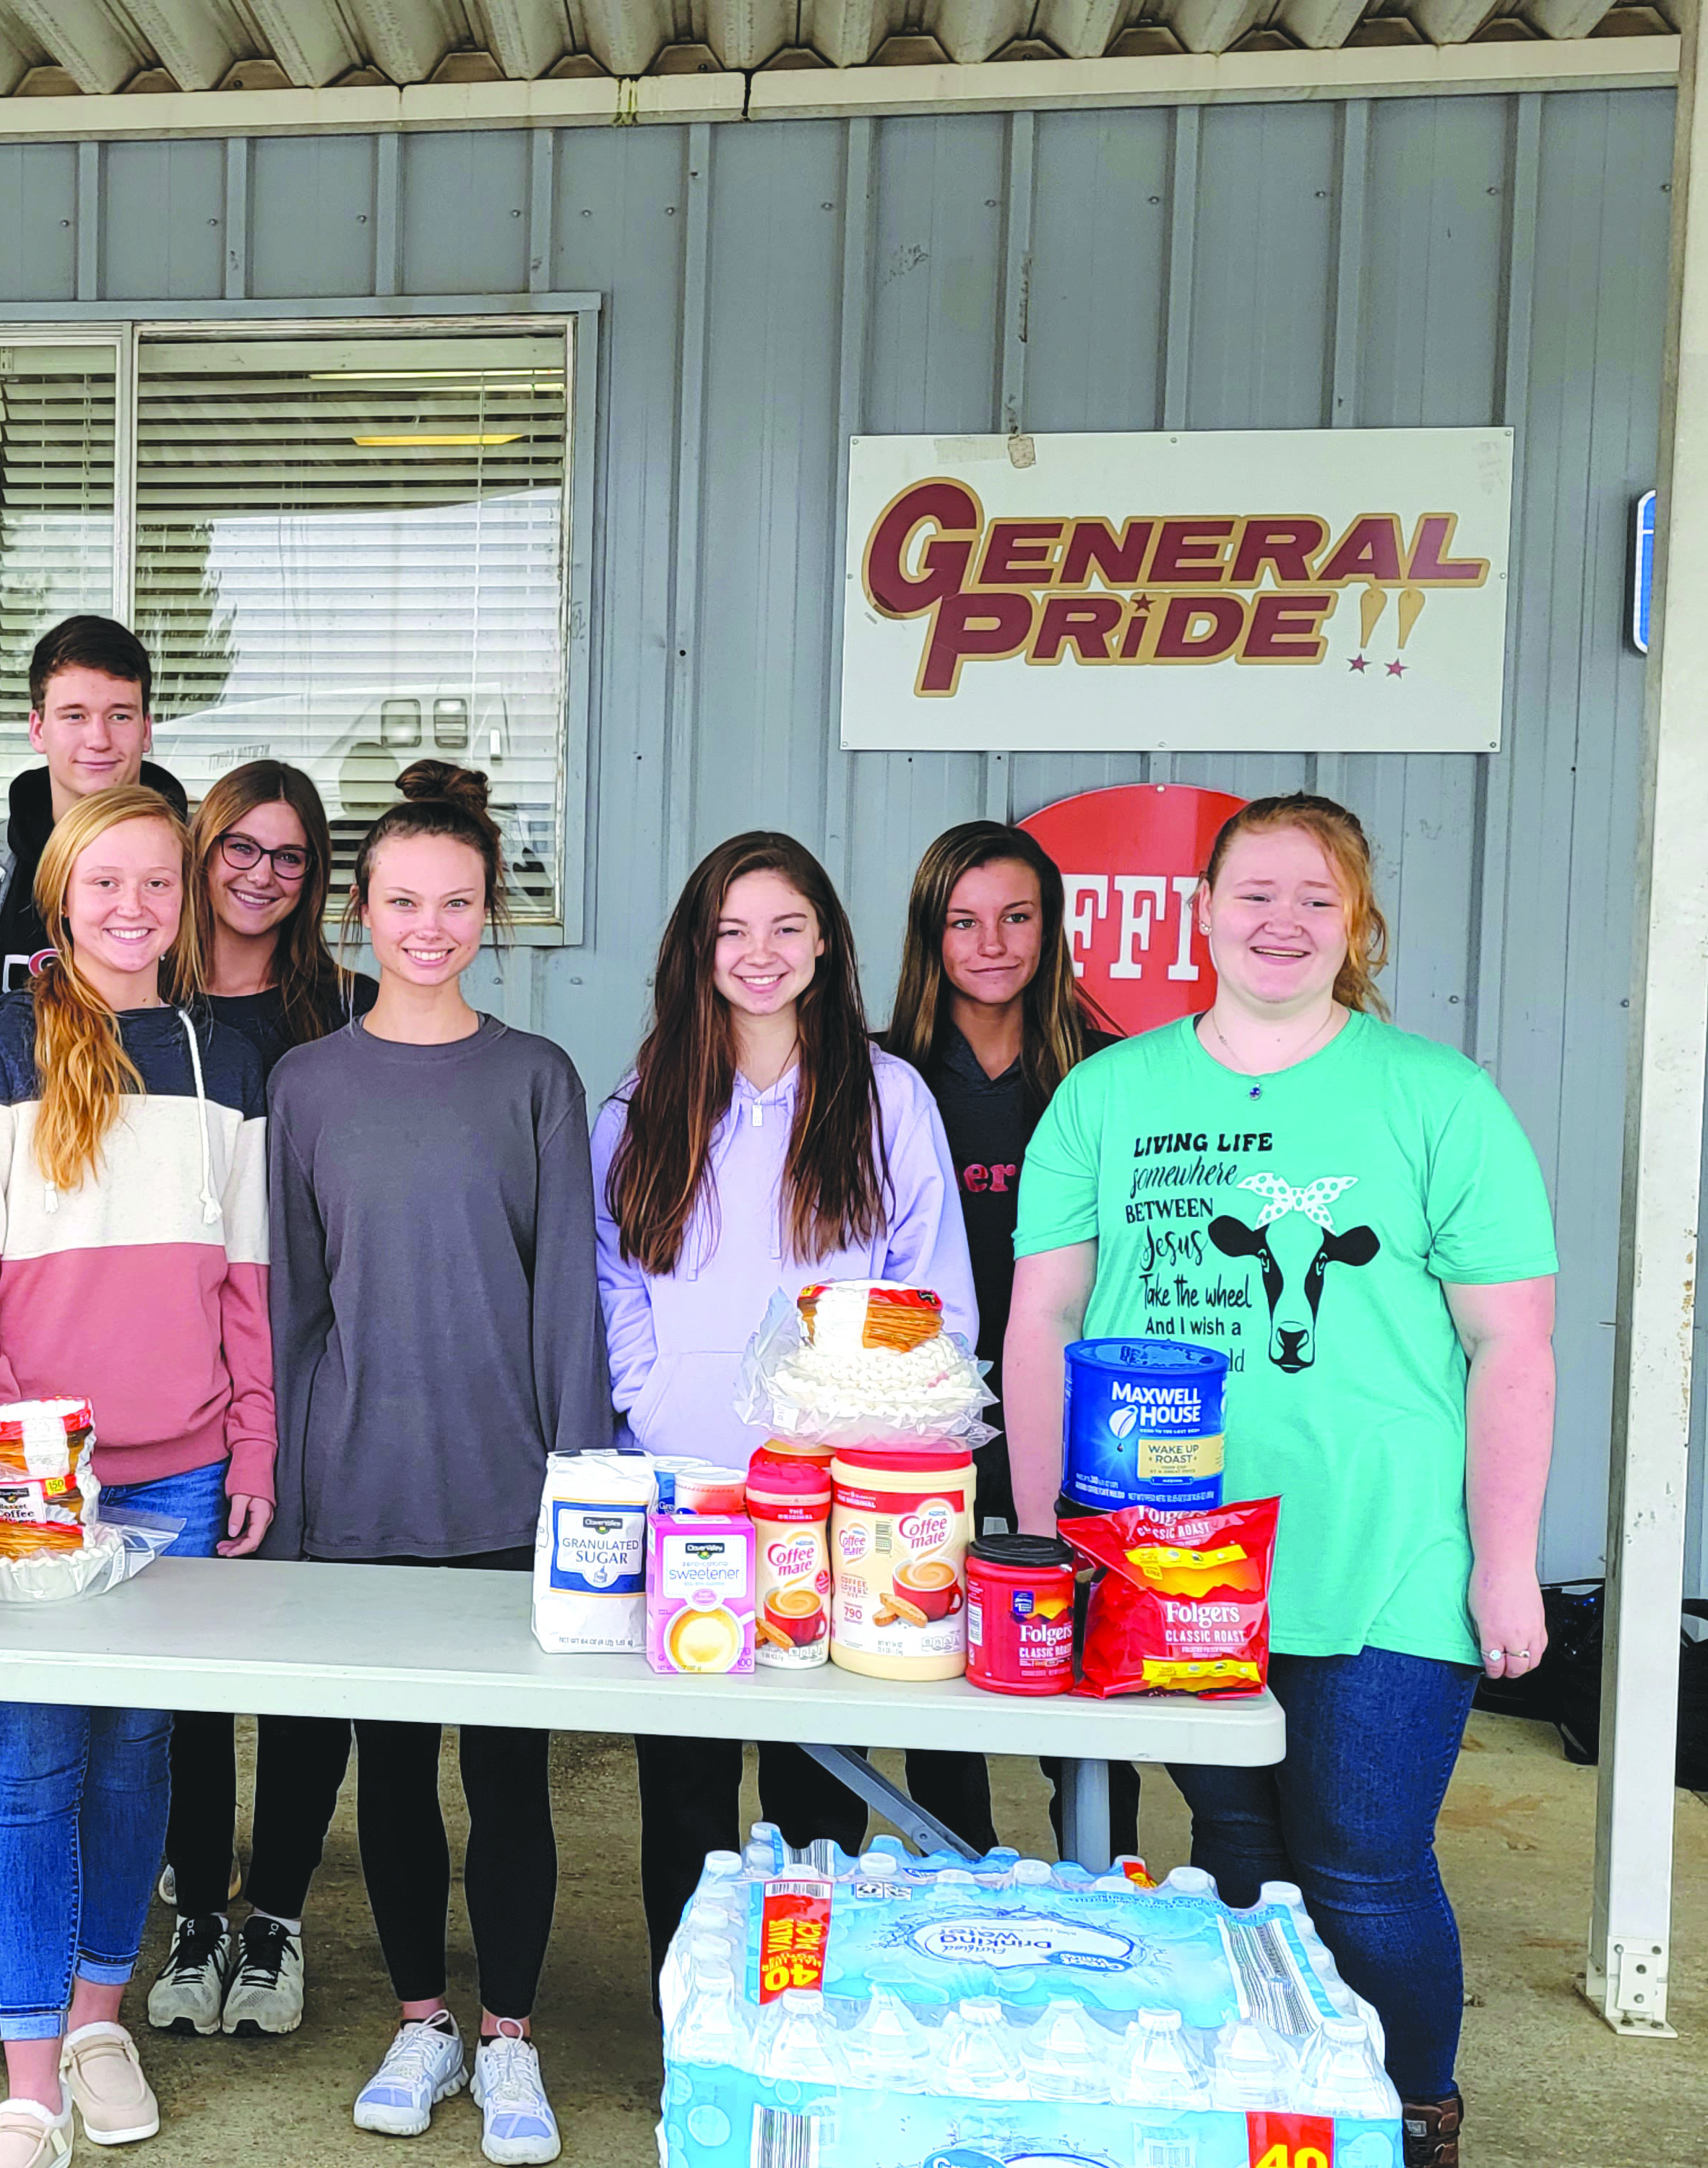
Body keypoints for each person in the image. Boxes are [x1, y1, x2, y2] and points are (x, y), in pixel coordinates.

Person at [1007, 794, 1556, 2168]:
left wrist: (1505, 1561)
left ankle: (1415, 2110)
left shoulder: (1441, 1098)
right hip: (1174, 1564)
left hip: (1386, 1551)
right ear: (1199, 912)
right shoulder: (1110, 1095)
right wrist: (1033, 1538)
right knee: (1239, 1868)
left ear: (1356, 923)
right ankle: (1276, 2108)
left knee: (1364, 1868)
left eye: (1317, 897)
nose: (1282, 921)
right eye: (1254, 892)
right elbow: (1040, 1325)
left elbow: (1514, 1345)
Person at [0, 783, 275, 2168]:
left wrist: (255, 1437)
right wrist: (11, 1457)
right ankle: (26, 2082)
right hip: (33, 1481)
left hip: (180, 1474)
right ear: (62, 897)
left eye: (159, 884)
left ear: (187, 901)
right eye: (106, 883)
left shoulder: (224, 1058)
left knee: (136, 1765)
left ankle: (99, 2021)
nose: (134, 908)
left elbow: (248, 1277)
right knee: (29, 1771)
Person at [260, 760, 605, 2168]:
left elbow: (565, 1302)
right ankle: (422, 2018)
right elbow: (289, 1304)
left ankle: (508, 2041)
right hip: (356, 1487)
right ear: (357, 911)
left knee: (510, 1779)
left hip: (504, 1489)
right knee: (390, 1775)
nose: (426, 925)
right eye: (401, 900)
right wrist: (281, 1499)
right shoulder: (304, 1083)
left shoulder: (533, 1078)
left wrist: (575, 1491)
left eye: (453, 902)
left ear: (487, 914)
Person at [592, 832, 981, 1970]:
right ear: (695, 951)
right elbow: (611, 1278)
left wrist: (865, 1431)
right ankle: (696, 2011)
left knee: (821, 1787)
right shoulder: (641, 1105)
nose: (760, 955)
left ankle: (802, 2011)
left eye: (787, 928)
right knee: (689, 1792)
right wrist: (650, 1396)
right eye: (732, 931)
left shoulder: (889, 1098)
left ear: (826, 942)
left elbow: (934, 1298)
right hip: (692, 1492)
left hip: (838, 1502)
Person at [150, 761, 375, 2041]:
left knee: (303, 1644)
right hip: (178, 1361)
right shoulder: (151, 1000)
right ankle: (193, 1899)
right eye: (239, 846)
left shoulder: (345, 1012)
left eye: (289, 857)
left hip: (312, 1359)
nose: (259, 875)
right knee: (188, 1651)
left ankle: (276, 1913)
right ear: (202, 848)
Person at [883, 819, 1136, 1859]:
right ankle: (963, 1883)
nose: (993, 943)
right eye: (965, 920)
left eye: (1017, 917)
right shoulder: (885, 1076)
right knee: (943, 1663)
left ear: (1053, 927)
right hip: (926, 1417)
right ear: (929, 937)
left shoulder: (1111, 1078)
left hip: (1073, 1425)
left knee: (1083, 1677)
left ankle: (1098, 1878)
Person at [0, 616, 189, 991]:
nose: (98, 739)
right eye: (75, 716)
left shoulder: (198, 864)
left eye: (119, 716)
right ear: (37, 729)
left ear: (145, 730)